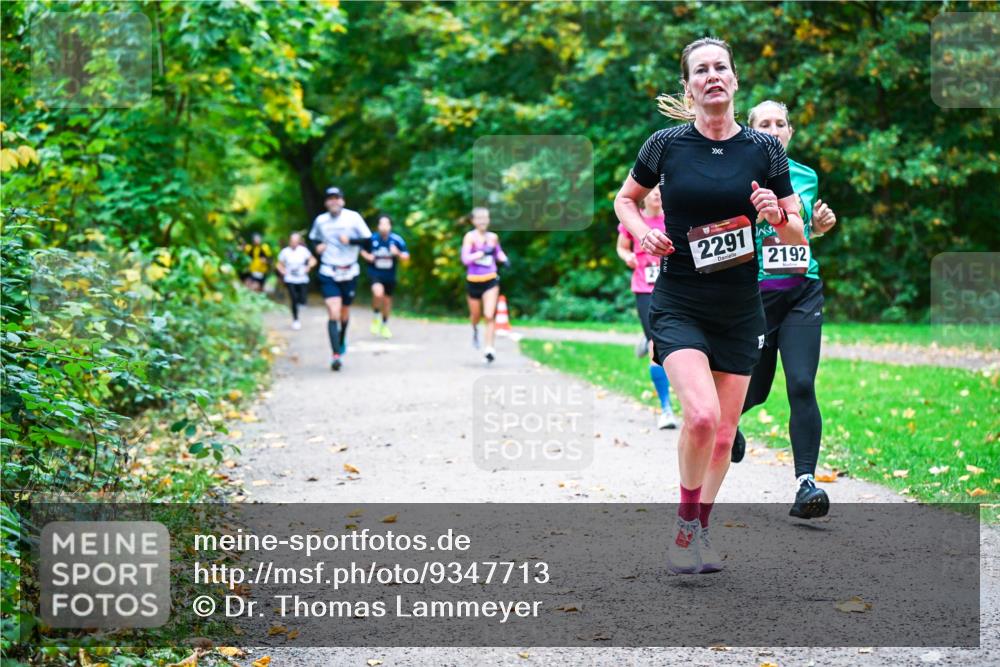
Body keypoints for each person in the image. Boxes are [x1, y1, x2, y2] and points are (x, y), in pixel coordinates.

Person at [614, 37, 806, 575]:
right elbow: (625, 200)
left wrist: (776, 214)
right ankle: (683, 525)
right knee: (701, 417)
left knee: (724, 435)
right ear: (689, 87)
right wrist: (642, 234)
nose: (713, 76)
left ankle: (700, 527)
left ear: (735, 80)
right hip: (679, 301)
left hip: (740, 308)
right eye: (701, 70)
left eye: (721, 67)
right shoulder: (665, 144)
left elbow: (797, 232)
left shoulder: (765, 150)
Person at [729, 99, 839, 520]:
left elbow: (798, 231)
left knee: (802, 384)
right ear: (751, 132)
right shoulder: (735, 175)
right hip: (754, 297)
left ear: (790, 132)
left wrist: (817, 229)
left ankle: (805, 484)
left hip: (802, 291)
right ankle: (725, 423)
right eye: (764, 124)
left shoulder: (806, 176)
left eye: (780, 124)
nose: (774, 130)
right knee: (754, 390)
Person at [616, 186, 678, 430]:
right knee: (656, 345)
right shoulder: (634, 220)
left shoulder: (673, 218)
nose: (656, 194)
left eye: (660, 189)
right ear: (643, 195)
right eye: (651, 190)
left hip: (673, 289)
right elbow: (622, 247)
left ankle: (647, 336)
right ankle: (666, 408)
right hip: (645, 289)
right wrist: (627, 257)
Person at [308, 186, 372, 371]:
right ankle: (336, 355)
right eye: (330, 198)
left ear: (342, 201)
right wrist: (317, 248)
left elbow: (368, 240)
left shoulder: (353, 218)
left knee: (344, 313)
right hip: (329, 270)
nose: (333, 201)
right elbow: (313, 239)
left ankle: (342, 338)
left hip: (349, 271)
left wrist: (350, 241)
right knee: (333, 312)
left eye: (336, 198)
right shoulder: (321, 221)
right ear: (326, 202)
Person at [461, 207, 507, 364]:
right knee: (476, 316)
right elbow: (465, 259)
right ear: (473, 221)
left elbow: (498, 252)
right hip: (474, 280)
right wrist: (481, 253)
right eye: (479, 218)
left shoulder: (493, 237)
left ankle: (489, 349)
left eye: (485, 218)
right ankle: (475, 329)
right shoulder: (470, 237)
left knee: (489, 315)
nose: (483, 221)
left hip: (490, 279)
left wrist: (504, 259)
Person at [360, 214, 410, 339]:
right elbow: (361, 249)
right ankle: (376, 317)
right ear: (378, 226)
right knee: (378, 294)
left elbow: (406, 257)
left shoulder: (397, 240)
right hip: (375, 273)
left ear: (390, 226)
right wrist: (368, 256)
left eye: (386, 224)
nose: (384, 227)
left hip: (390, 275)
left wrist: (397, 253)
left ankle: (384, 325)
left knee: (387, 301)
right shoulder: (371, 239)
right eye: (381, 224)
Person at [276, 232, 317, 330]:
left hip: (302, 278)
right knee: (293, 298)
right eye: (292, 241)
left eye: (296, 241)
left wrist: (308, 267)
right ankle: (296, 320)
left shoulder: (303, 251)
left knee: (302, 298)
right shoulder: (285, 252)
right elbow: (279, 264)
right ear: (289, 241)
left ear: (298, 242)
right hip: (290, 278)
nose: (294, 243)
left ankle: (300, 303)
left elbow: (313, 260)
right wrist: (282, 271)